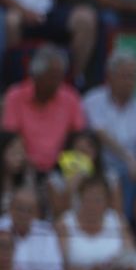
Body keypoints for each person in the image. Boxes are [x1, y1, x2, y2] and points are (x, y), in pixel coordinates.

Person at [81, 50, 136, 212]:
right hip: (97, 166)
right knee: (122, 176)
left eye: (134, 76)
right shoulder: (93, 100)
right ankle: (122, 227)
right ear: (110, 76)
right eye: (125, 76)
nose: (130, 82)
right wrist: (128, 158)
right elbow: (101, 134)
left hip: (132, 169)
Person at [1, 47, 85, 175]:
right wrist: (27, 162)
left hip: (62, 166)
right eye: (52, 76)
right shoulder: (15, 96)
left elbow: (78, 136)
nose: (57, 82)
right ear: (36, 76)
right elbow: (10, 135)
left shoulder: (70, 97)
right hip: (23, 166)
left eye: (60, 76)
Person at [56, 173, 132, 270]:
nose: (92, 204)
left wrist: (115, 268)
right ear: (79, 199)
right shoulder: (64, 224)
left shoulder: (117, 221)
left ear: (107, 201)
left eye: (98, 199)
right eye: (88, 199)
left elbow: (133, 258)